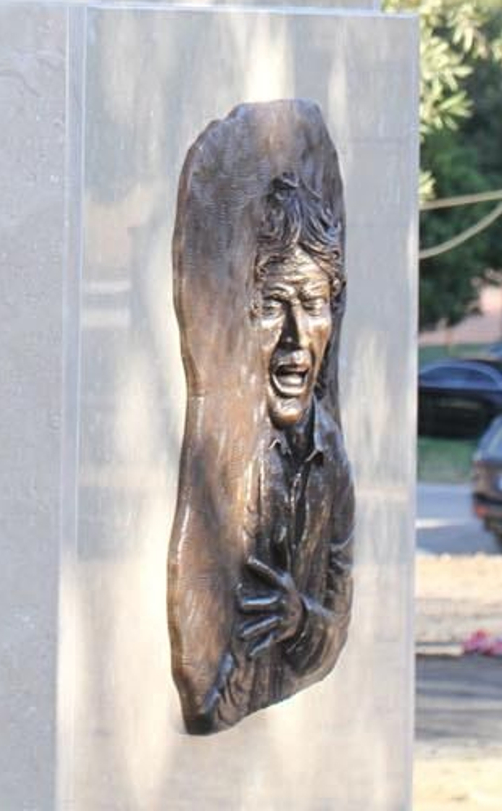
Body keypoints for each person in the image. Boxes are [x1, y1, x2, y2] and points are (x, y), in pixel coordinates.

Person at [199, 171, 354, 730]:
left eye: (312, 305)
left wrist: (299, 620)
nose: (294, 337)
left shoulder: (329, 458)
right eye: (272, 306)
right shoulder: (221, 458)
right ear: (240, 314)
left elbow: (336, 622)